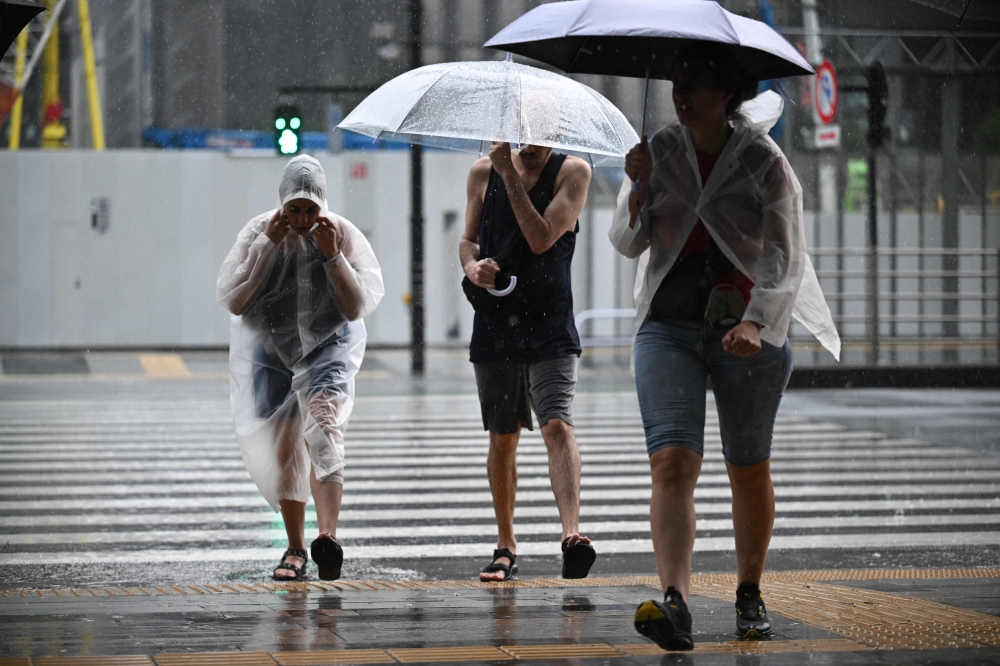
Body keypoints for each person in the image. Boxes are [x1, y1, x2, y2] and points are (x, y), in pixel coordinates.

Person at [609, 45, 840, 649]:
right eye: (679, 82)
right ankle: (676, 602)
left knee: (747, 466)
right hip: (667, 327)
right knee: (671, 460)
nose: (683, 94)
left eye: (699, 83)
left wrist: (758, 323)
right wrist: (637, 189)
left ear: (727, 93)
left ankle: (748, 590)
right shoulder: (658, 152)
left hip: (748, 332)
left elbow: (788, 255)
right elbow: (628, 243)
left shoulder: (764, 161)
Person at [217, 155, 384, 582]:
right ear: (282, 204)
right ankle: (294, 548)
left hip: (328, 349)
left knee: (325, 428)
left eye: (311, 209)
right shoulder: (260, 230)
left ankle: (327, 538)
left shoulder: (340, 234)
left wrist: (332, 257)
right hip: (270, 351)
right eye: (295, 209)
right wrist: (265, 247)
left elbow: (356, 306)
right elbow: (234, 299)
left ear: (323, 205)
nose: (303, 219)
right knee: (285, 446)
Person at [460, 137, 595, 582]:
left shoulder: (573, 172)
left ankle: (571, 535)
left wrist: (510, 177)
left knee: (556, 422)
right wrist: (471, 267)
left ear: (556, 135)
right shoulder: (482, 172)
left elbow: (540, 238)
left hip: (550, 323)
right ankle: (505, 545)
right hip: (497, 321)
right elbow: (468, 240)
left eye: (543, 137)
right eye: (524, 136)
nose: (532, 146)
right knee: (503, 436)